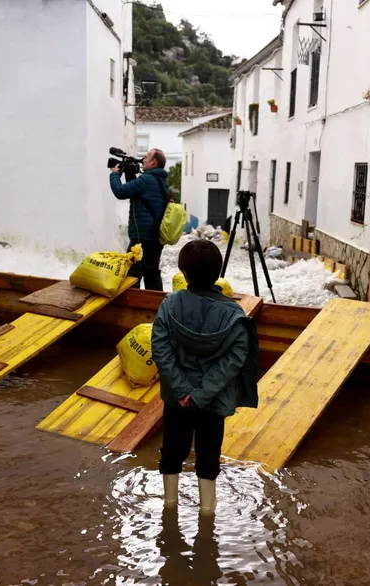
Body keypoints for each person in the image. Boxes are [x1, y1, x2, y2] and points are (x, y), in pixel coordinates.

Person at [151, 240, 259, 515]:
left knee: (172, 450)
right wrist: (201, 394)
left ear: (184, 274)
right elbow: (235, 360)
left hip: (177, 400)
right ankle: (207, 513)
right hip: (213, 401)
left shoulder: (170, 304)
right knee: (208, 454)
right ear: (218, 272)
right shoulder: (234, 314)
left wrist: (183, 390)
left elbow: (161, 350)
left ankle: (169, 506)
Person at [109, 149, 170, 290]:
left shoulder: (146, 180)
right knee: (151, 272)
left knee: (132, 275)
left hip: (141, 238)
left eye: (146, 157)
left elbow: (120, 191)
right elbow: (137, 193)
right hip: (154, 236)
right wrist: (130, 173)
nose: (143, 160)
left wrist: (114, 174)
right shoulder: (159, 179)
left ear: (153, 161)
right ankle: (155, 306)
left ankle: (131, 306)